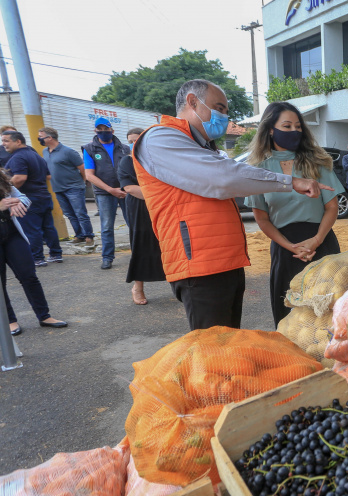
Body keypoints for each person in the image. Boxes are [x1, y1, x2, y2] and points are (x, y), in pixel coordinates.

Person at [132, 79, 334, 331]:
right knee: (214, 351)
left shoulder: (204, 147)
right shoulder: (160, 138)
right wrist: (290, 182)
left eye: (226, 111)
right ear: (192, 101)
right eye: (219, 108)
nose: (224, 117)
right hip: (199, 266)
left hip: (225, 261)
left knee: (229, 345)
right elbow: (224, 178)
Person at [244, 102, 345, 327]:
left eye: (298, 127)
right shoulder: (258, 171)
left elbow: (331, 207)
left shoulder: (317, 162)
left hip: (321, 244)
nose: (294, 132)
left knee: (326, 314)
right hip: (285, 249)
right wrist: (291, 247)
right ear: (270, 129)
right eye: (287, 126)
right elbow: (262, 219)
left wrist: (316, 240)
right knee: (289, 316)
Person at [0, 170, 67, 335]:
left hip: (12, 234)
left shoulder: (2, 179)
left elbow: (23, 197)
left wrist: (18, 203)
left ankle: (44, 316)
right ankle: (10, 321)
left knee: (29, 275)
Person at [118, 128, 165, 306]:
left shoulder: (156, 159)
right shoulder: (127, 162)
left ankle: (179, 284)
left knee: (168, 244)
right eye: (130, 140)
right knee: (142, 245)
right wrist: (158, 196)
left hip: (161, 206)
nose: (133, 143)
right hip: (140, 207)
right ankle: (138, 287)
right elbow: (129, 188)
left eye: (137, 139)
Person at [1, 130, 63, 266]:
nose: (3, 144)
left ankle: (37, 258)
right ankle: (56, 254)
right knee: (48, 227)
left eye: (6, 141)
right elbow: (48, 176)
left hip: (29, 199)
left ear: (18, 141)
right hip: (43, 196)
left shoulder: (18, 158)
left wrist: (5, 188)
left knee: (32, 229)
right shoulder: (36, 156)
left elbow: (20, 178)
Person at [83, 116, 131, 270]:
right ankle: (107, 257)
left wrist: (126, 188)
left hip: (125, 190)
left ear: (112, 130)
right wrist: (110, 190)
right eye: (100, 130)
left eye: (106, 129)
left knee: (134, 223)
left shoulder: (124, 148)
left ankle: (139, 254)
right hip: (104, 193)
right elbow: (89, 175)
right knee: (106, 226)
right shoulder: (90, 149)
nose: (103, 132)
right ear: (95, 131)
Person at [38, 127, 94, 246]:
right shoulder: (45, 152)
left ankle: (89, 235)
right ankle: (79, 235)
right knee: (69, 214)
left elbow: (82, 168)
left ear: (50, 137)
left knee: (80, 213)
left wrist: (83, 182)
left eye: (41, 136)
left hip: (74, 188)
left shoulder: (68, 151)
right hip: (58, 188)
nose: (39, 138)